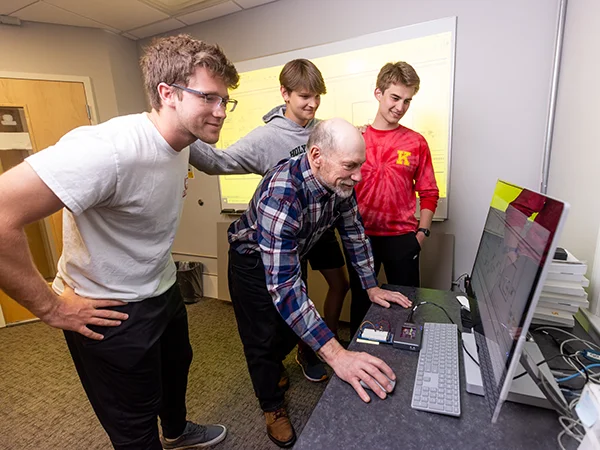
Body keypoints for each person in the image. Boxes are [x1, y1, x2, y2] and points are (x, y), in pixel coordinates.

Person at [0, 34, 239, 450]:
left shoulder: (184, 141)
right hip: (107, 309)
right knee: (133, 421)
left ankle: (178, 432)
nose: (221, 112)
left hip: (161, 289)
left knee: (175, 371)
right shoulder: (108, 150)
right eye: (209, 98)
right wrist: (50, 307)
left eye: (225, 100)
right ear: (168, 94)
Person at [227, 118, 411, 448]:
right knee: (262, 336)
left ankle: (278, 366)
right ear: (317, 156)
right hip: (252, 260)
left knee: (287, 328)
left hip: (290, 252)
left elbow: (354, 233)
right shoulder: (282, 193)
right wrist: (336, 355)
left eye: (360, 166)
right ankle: (271, 405)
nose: (358, 176)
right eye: (350, 166)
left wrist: (371, 285)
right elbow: (284, 290)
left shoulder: (338, 182)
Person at [190, 59, 349, 382]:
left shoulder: (322, 130)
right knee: (283, 307)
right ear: (284, 94)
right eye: (305, 96)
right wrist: (179, 132)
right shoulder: (266, 138)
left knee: (332, 286)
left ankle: (316, 347)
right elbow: (219, 161)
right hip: (287, 235)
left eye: (317, 96)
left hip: (320, 226)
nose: (313, 103)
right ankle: (284, 364)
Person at [349, 61, 440, 336]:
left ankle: (406, 362)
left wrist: (421, 233)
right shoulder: (356, 138)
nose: (400, 107)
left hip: (402, 238)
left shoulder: (416, 142)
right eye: (395, 98)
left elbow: (429, 192)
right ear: (378, 93)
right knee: (362, 303)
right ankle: (359, 360)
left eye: (407, 101)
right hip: (361, 237)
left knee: (407, 306)